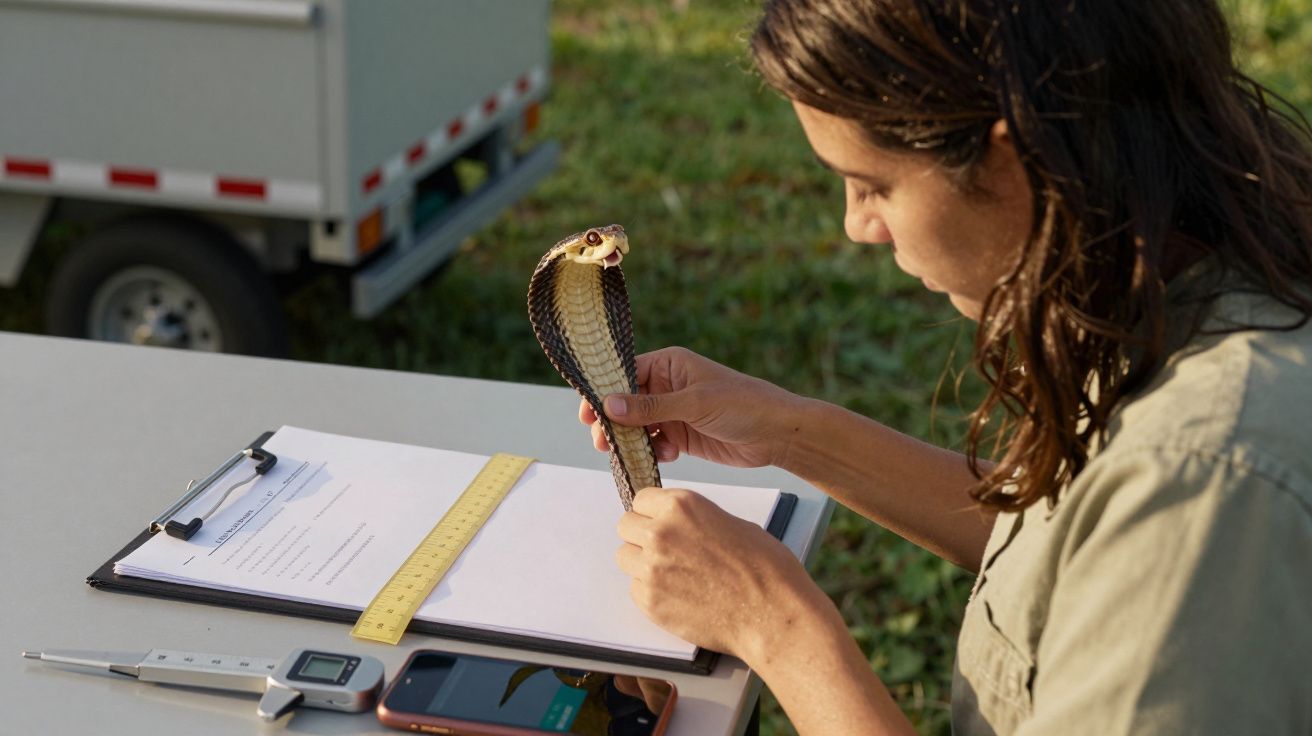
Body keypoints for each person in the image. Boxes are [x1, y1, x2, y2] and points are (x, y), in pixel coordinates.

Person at [578, 1, 1312, 734]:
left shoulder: (1204, 483)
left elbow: (1148, 517)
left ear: (1015, 163)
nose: (857, 225)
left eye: (874, 185)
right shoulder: (1183, 278)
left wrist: (773, 624)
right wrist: (788, 430)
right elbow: (1065, 540)